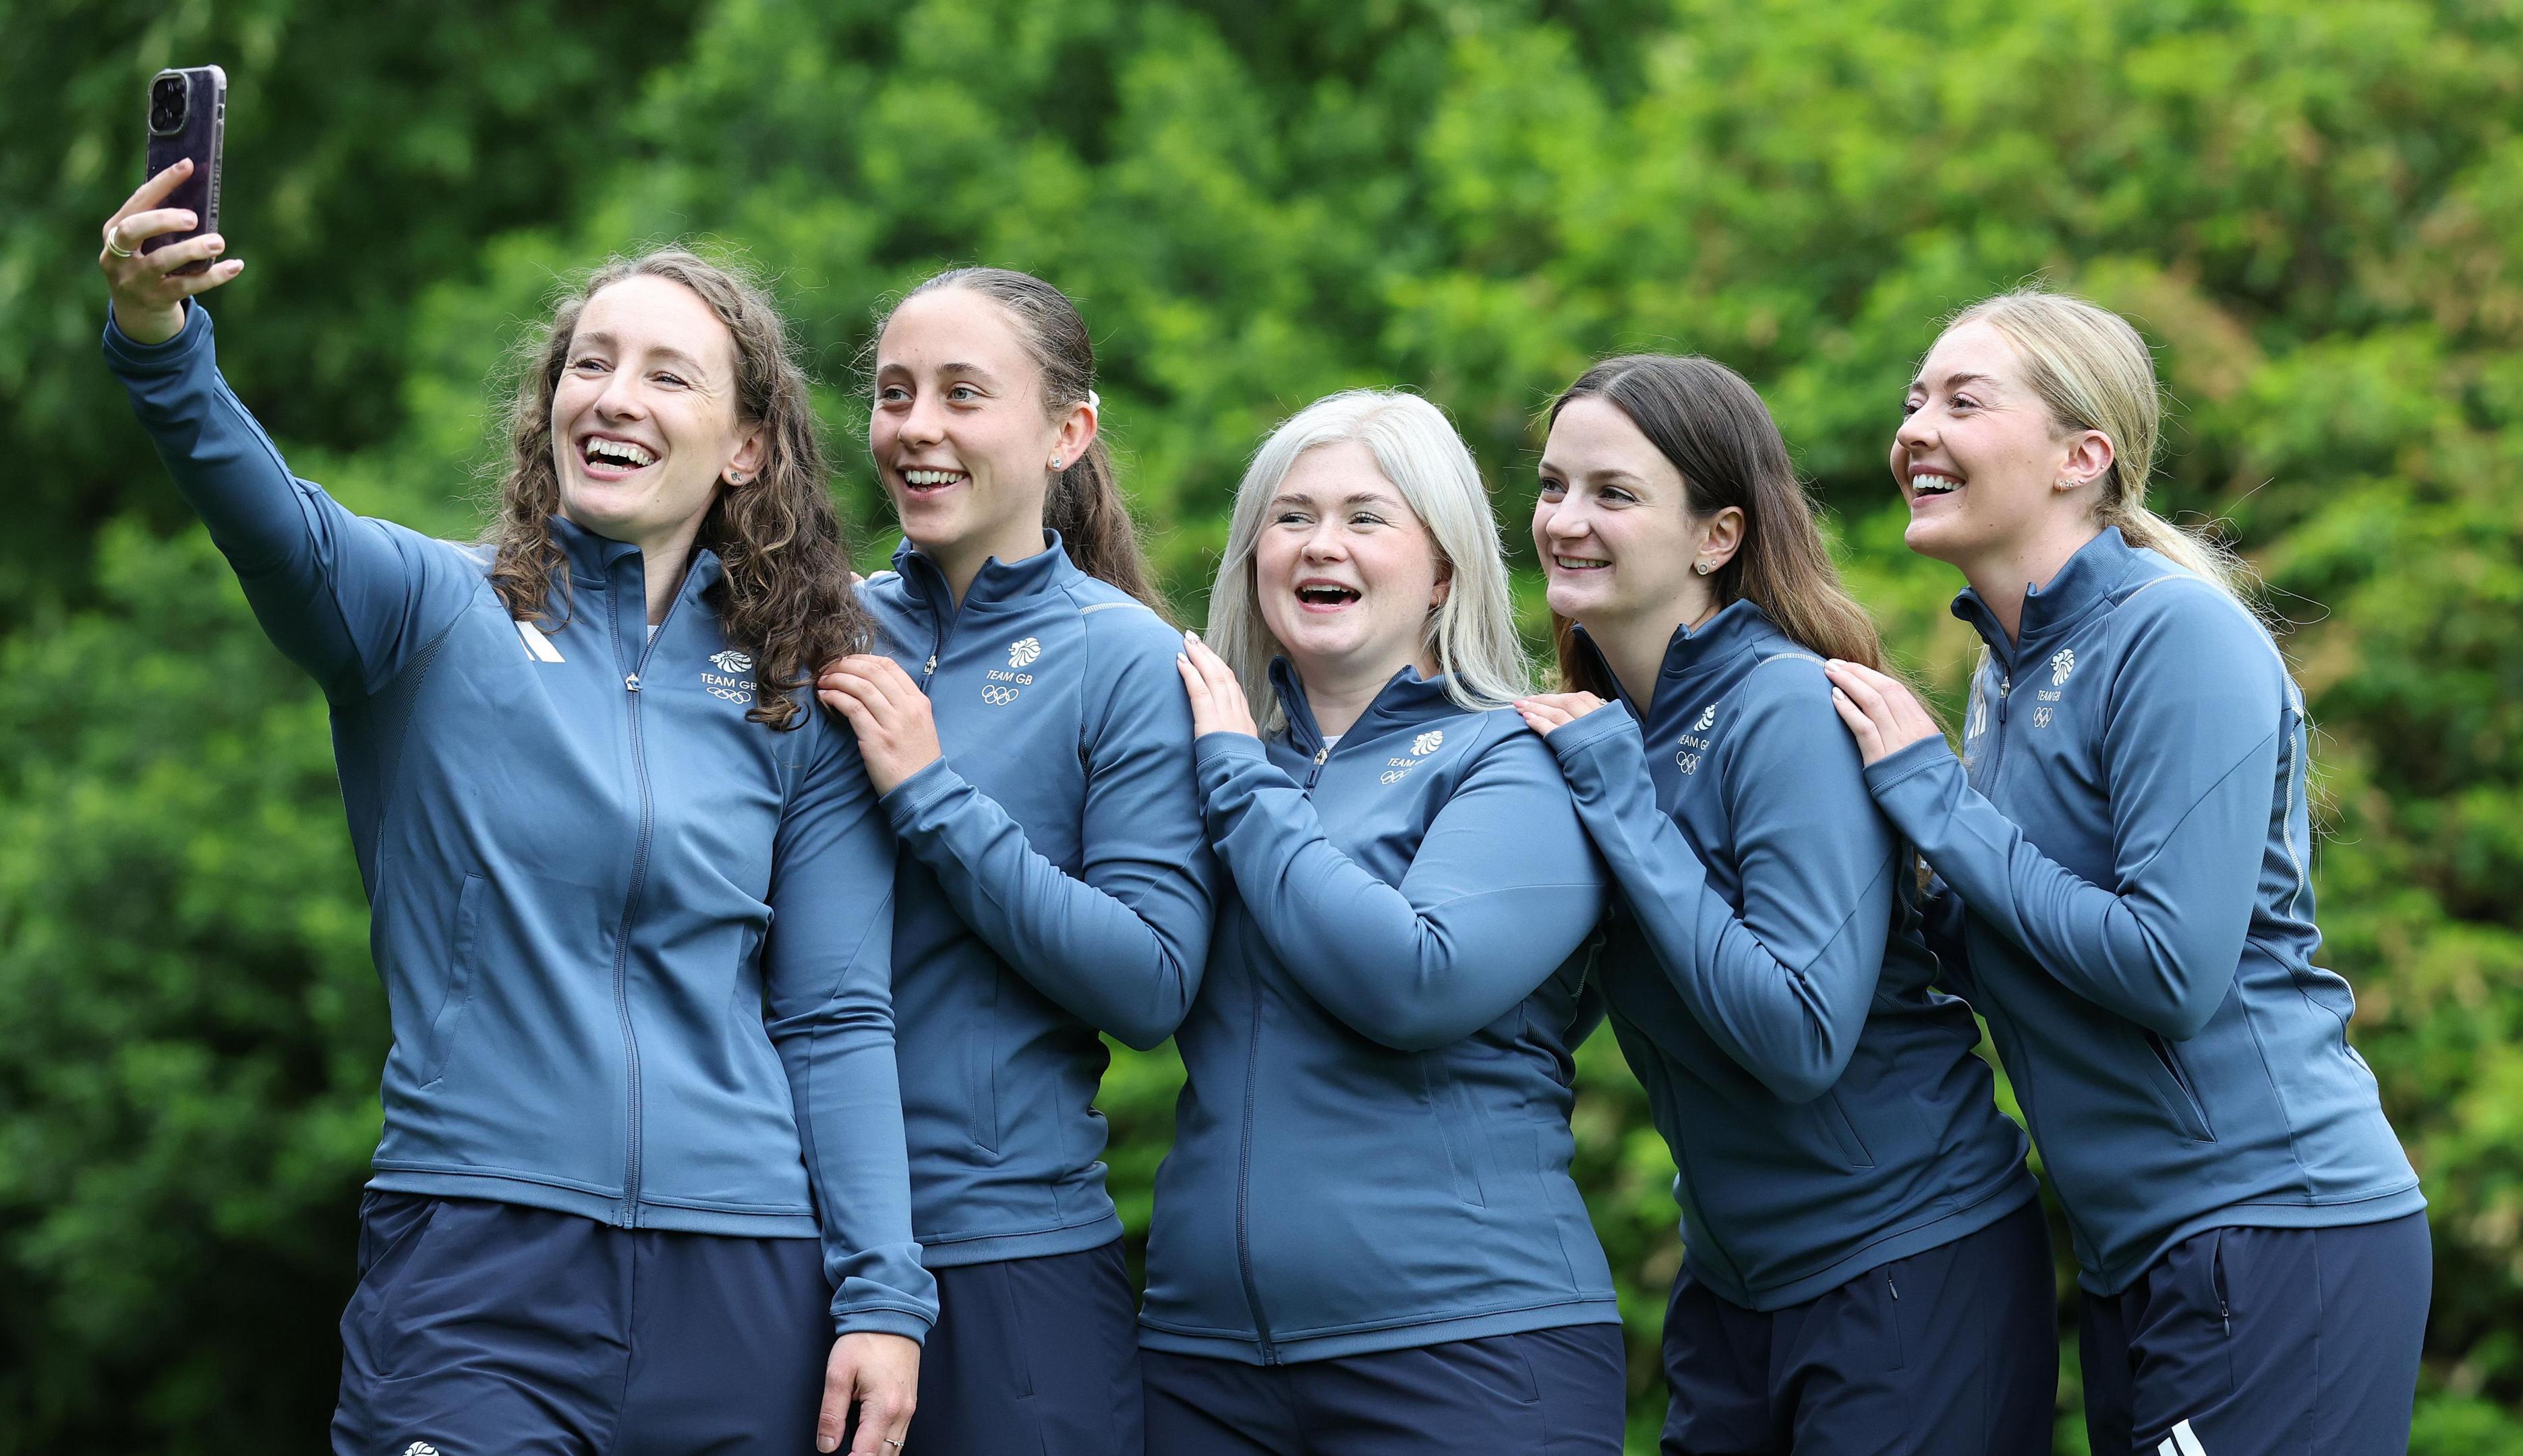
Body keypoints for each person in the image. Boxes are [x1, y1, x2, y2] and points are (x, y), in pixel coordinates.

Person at [97, 163, 930, 1456]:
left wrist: (883, 1293)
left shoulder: (794, 678)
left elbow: (832, 1015)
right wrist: (163, 343)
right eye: (589, 365)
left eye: (668, 375)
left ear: (749, 444)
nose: (613, 397)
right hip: (477, 1264)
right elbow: (272, 524)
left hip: (745, 1280)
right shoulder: (430, 614)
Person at [1826, 289, 2429, 1456]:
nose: (1915, 429)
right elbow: (2016, 931)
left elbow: (2169, 969)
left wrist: (1938, 803)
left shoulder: (2176, 636)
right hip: (2137, 1256)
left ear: (2081, 456)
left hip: (2273, 1231)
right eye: (1913, 401)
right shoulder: (2007, 672)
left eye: (1963, 400)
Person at [1513, 354, 2054, 1455]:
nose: (1566, 520)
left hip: (1906, 1266)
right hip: (1734, 1284)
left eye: (1613, 494)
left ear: (1717, 536)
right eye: (1552, 485)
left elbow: (1799, 1035)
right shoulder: (1611, 728)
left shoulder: (1782, 709)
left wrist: (1621, 806)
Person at [1147, 390, 1623, 1455]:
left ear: (1444, 568)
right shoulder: (1208, 761)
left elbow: (1416, 982)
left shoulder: (1512, 758)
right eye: (1291, 516)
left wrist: (1234, 780)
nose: (1324, 545)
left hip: (1467, 1349)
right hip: (1202, 1362)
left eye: (1367, 516)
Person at [816, 266, 1215, 1455]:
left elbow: (1151, 983)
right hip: (790, 1244)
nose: (918, 428)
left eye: (962, 393)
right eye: (894, 394)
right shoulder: (811, 626)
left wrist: (935, 798)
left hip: (1012, 1262)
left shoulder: (1124, 657)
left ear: (1066, 434)